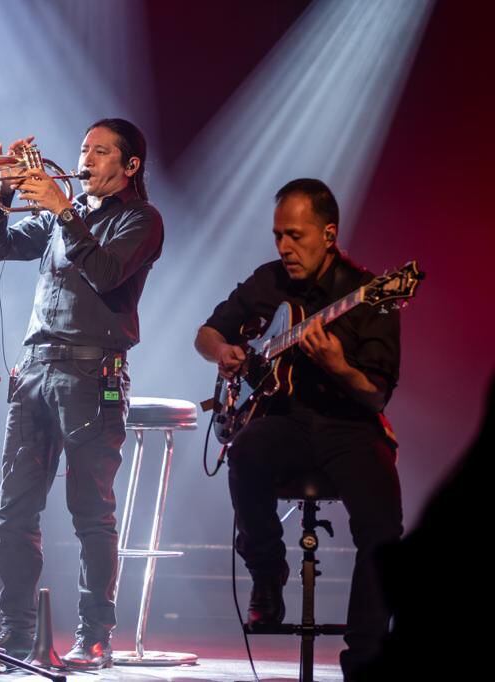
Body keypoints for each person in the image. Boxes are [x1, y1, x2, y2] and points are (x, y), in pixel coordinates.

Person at [194, 178, 402, 680]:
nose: (284, 247)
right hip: (285, 422)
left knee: (382, 528)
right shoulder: (268, 281)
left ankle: (366, 656)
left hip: (350, 426)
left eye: (295, 236)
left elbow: (376, 394)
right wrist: (224, 352)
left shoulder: (371, 293)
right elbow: (207, 333)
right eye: (278, 236)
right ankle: (267, 574)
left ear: (328, 234)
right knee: (244, 451)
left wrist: (339, 367)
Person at [0, 118, 164, 669]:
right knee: (13, 512)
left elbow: (106, 273)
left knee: (90, 512)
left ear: (130, 165)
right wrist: (3, 193)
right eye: (83, 149)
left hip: (92, 375)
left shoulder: (141, 219)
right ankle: (16, 634)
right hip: (34, 370)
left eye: (100, 152)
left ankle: (95, 635)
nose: (84, 160)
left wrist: (63, 209)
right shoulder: (68, 212)